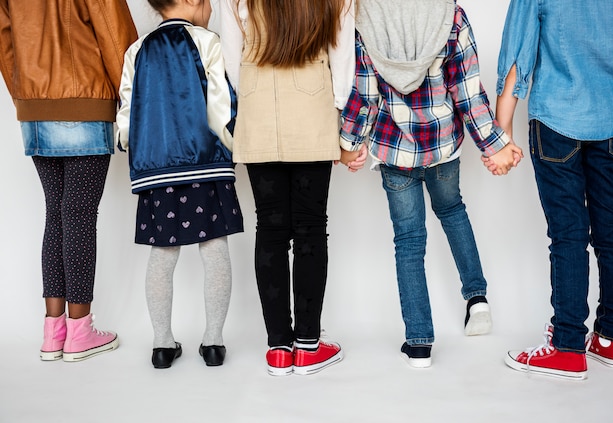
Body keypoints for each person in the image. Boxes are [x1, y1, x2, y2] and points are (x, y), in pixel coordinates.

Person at [339, 0, 522, 368]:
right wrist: (495, 144)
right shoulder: (448, 12)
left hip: (394, 150)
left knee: (408, 241)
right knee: (453, 212)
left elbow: (365, 95)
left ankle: (419, 343)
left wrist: (347, 144)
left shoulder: (366, 15)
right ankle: (477, 299)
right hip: (442, 145)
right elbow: (467, 90)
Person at [488, 0, 613, 380]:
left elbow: (518, 53)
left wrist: (502, 133)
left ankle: (567, 345)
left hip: (557, 121)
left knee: (568, 236)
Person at [219, 0, 356, 376]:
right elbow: (343, 58)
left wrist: (254, 89)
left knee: (271, 229)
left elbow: (232, 59)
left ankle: (279, 348)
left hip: (257, 106)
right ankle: (309, 345)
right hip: (313, 105)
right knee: (311, 227)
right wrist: (340, 115)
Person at [0, 0, 137, 362]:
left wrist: (24, 96)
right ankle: (80, 331)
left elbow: (5, 37)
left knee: (56, 214)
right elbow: (115, 34)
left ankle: (53, 331)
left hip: (33, 105)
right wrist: (131, 95)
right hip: (85, 100)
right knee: (78, 215)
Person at [116, 0, 243, 369]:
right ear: (191, 2)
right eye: (207, 3)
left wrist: (130, 143)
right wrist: (234, 144)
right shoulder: (208, 42)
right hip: (205, 164)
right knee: (214, 246)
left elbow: (126, 112)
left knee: (162, 253)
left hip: (157, 170)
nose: (211, 11)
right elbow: (221, 105)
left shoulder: (137, 50)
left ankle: (161, 345)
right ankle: (214, 343)